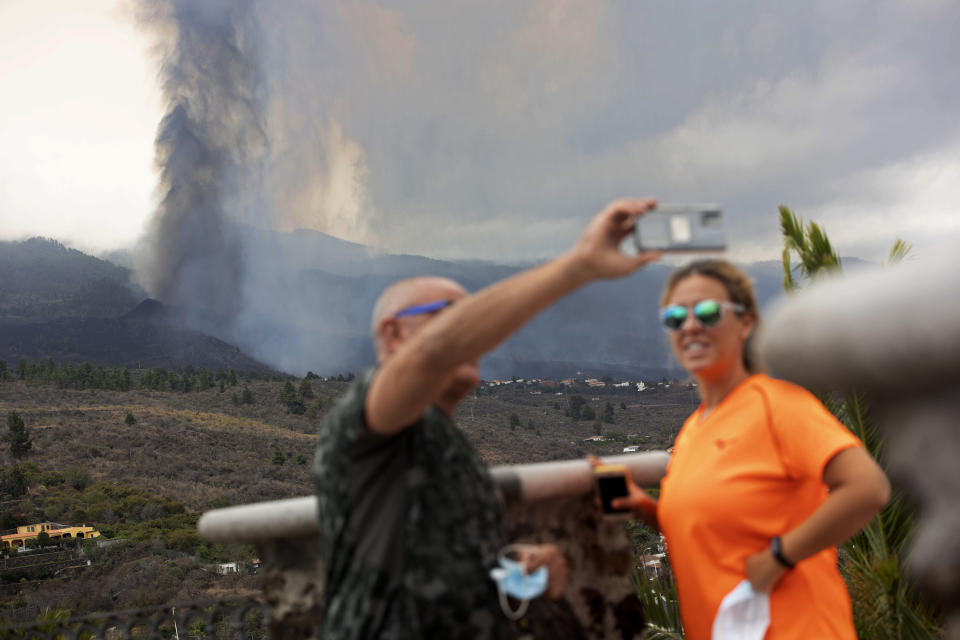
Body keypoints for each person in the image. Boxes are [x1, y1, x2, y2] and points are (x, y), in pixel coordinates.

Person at [314, 198, 662, 639]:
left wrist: (519, 564)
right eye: (451, 317)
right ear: (393, 334)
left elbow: (431, 554)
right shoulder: (362, 420)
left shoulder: (442, 438)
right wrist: (579, 266)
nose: (472, 334)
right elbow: (433, 352)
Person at [601, 259, 891, 640]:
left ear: (746, 322)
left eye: (707, 312)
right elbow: (711, 530)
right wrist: (644, 509)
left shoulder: (777, 404)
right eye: (675, 317)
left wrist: (779, 557)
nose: (689, 326)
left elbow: (868, 488)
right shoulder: (693, 429)